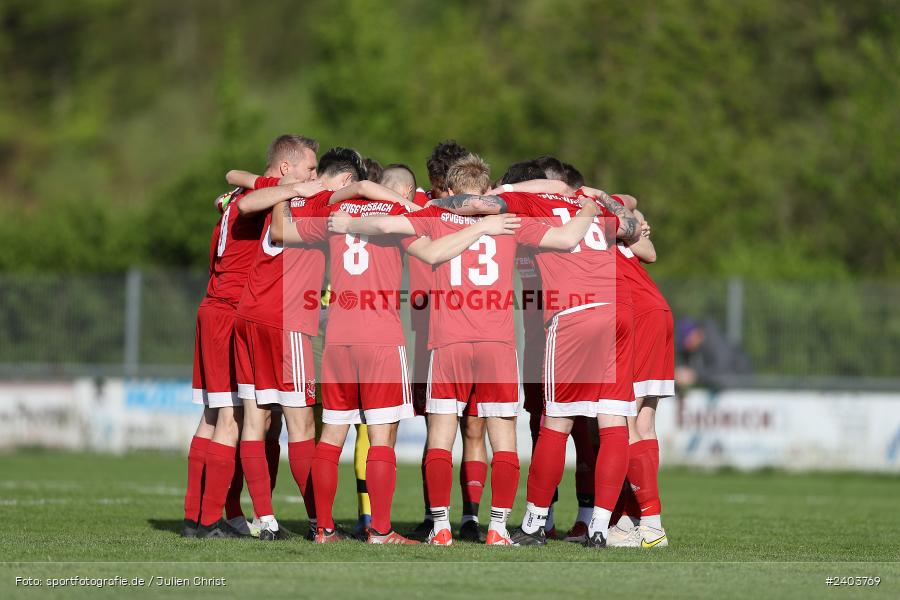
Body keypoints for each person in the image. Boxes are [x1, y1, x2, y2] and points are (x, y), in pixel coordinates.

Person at [429, 181, 642, 548]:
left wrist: (434, 202)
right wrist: (600, 200)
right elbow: (633, 227)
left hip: (574, 312)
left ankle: (533, 524)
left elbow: (477, 205)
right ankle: (599, 527)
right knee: (613, 422)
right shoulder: (586, 201)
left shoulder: (523, 202)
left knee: (556, 422)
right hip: (618, 309)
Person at [182, 134, 317, 539]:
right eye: (309, 168)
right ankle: (208, 520)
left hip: (216, 308)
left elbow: (233, 179)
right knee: (232, 418)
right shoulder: (263, 195)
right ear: (286, 167)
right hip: (230, 310)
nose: (313, 176)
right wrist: (294, 190)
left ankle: (204, 516)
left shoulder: (249, 191)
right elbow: (245, 199)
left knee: (218, 416)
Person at [406, 140, 494, 543]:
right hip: (431, 329)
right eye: (442, 189)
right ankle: (434, 515)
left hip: (474, 327)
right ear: (434, 184)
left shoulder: (486, 208)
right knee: (437, 427)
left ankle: (470, 517)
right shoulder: (423, 208)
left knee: (474, 427)